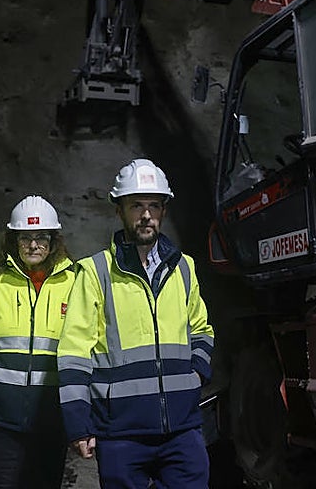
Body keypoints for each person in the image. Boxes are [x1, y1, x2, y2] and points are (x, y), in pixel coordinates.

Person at [57, 158, 214, 489]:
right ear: (120, 211)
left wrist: (196, 374)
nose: (146, 215)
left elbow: (201, 330)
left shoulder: (184, 268)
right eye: (136, 206)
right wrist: (78, 423)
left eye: (154, 206)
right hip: (121, 432)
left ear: (164, 211)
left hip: (182, 428)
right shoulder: (95, 272)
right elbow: (74, 352)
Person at [0, 196, 79, 489]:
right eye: (25, 238)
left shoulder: (75, 285)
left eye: (40, 238)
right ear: (14, 240)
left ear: (53, 240)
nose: (33, 245)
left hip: (53, 416)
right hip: (0, 418)